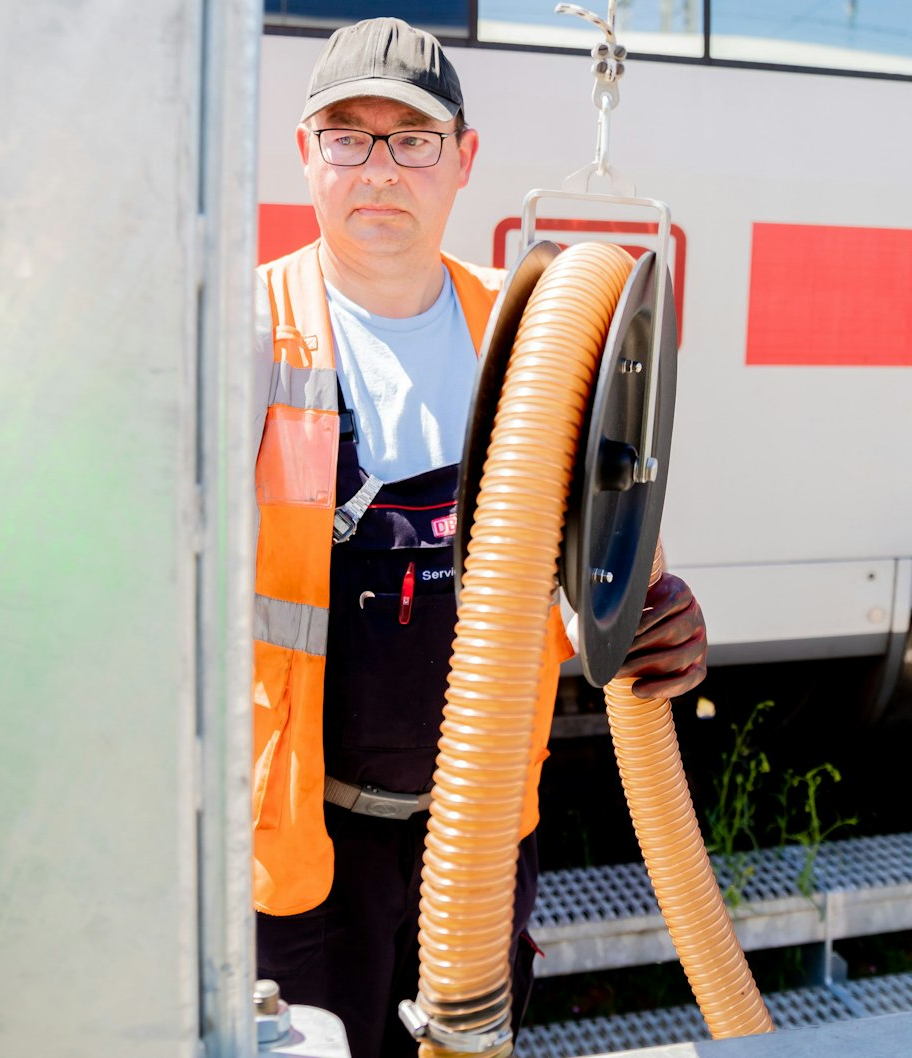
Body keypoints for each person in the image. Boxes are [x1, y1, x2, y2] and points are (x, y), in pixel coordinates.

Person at [248, 18, 708, 1056]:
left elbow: (609, 561)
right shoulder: (242, 332)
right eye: (348, 137)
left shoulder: (531, 336)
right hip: (294, 848)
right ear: (306, 154)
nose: (379, 169)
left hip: (479, 834)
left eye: (412, 140)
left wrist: (659, 622)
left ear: (463, 159)